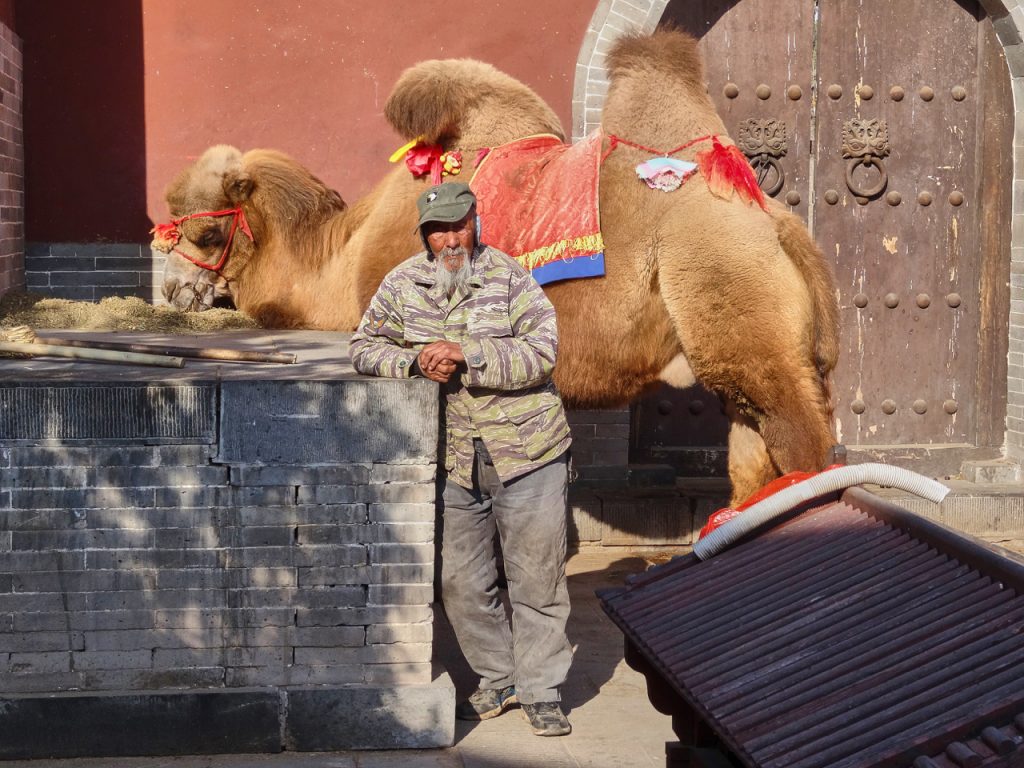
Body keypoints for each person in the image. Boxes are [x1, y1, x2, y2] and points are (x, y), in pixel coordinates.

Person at [349, 182, 573, 737]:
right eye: (439, 229)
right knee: (461, 583)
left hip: (529, 453)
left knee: (536, 579)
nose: (451, 240)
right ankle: (500, 677)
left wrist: (468, 353)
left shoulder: (510, 278)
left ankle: (543, 690)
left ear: (477, 223)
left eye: (460, 226)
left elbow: (543, 353)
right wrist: (412, 363)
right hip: (452, 458)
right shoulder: (403, 284)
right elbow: (363, 347)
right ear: (424, 234)